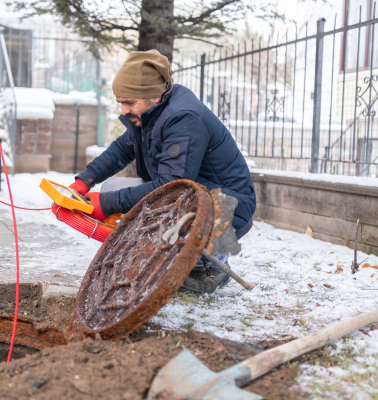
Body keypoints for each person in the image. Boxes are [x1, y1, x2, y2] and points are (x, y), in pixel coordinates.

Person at [69, 50, 256, 295]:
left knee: (123, 198)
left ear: (154, 96)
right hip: (197, 193)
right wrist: (85, 180)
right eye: (121, 103)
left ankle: (210, 267)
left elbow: (173, 184)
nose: (124, 110)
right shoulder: (149, 114)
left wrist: (108, 204)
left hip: (229, 206)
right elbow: (120, 151)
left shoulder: (183, 119)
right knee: (112, 189)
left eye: (129, 102)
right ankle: (180, 259)